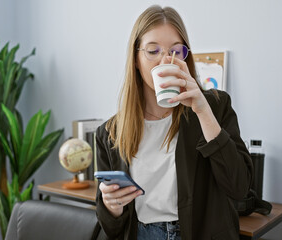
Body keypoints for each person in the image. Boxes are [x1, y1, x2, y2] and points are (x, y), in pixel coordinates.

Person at [95, 5, 253, 240]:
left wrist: (203, 111)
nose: (165, 60)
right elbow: (112, 228)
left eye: (176, 51)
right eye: (152, 50)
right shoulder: (110, 132)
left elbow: (239, 187)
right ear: (136, 59)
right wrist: (112, 207)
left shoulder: (214, 107)